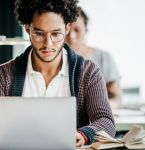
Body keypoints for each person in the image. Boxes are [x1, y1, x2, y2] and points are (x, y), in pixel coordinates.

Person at [0, 0, 116, 147]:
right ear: (27, 28)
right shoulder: (3, 75)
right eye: (39, 34)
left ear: (67, 28)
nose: (47, 44)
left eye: (56, 34)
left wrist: (83, 134)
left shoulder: (89, 72)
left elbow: (106, 122)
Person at [65, 7, 121, 100]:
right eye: (67, 30)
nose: (71, 36)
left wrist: (101, 110)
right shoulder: (53, 59)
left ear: (86, 30)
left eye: (77, 30)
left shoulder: (104, 57)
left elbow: (116, 96)